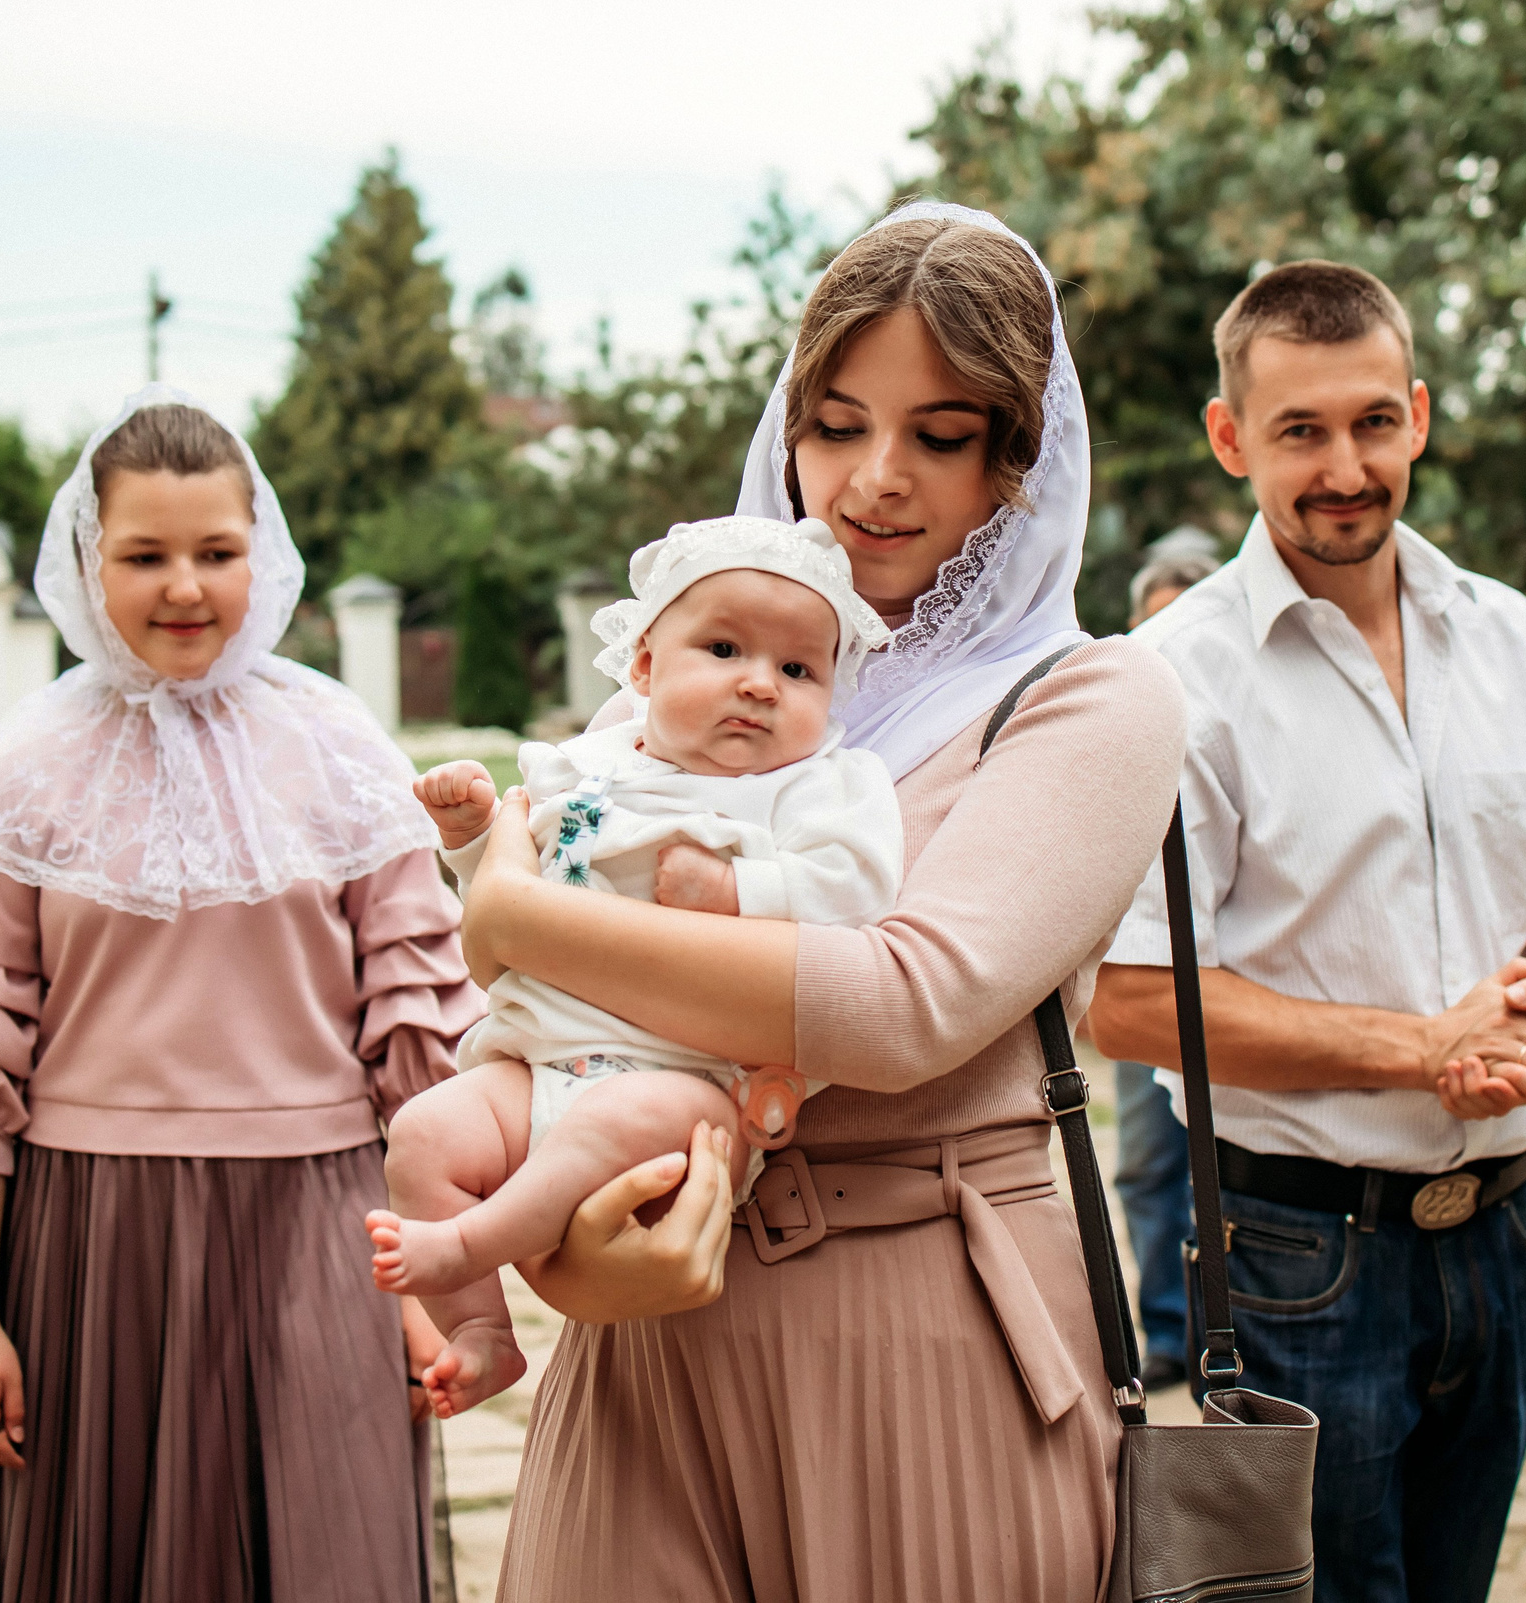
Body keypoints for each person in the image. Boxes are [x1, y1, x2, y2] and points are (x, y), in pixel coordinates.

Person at [450, 201, 1185, 1602]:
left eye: (942, 434)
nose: (874, 481)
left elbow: (906, 1003)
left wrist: (522, 918)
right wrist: (578, 1259)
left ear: (1016, 467)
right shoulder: (672, 689)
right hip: (656, 1324)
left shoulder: (1090, 696)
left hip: (924, 1332)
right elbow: (527, 1011)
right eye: (836, 424)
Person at [1087, 260, 1526, 1603]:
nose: (1345, 466)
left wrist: (1523, 1004)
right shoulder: (1173, 682)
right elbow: (1125, 999)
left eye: (1370, 423)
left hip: (1506, 1238)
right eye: (1299, 431)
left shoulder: (1515, 637)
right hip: (1296, 1254)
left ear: (1416, 414)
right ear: (1233, 439)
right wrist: (1422, 1047)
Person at [0, 387, 482, 1602]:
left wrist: (449, 1299)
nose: (184, 587)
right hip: (90, 1243)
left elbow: (423, 1051)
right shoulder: (24, 767)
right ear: (86, 561)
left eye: (217, 553)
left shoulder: (339, 746)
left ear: (260, 559)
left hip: (326, 1234)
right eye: (145, 554)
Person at [368, 515, 903, 1416]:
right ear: (646, 666)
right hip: (538, 1063)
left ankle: (473, 1241)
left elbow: (859, 886)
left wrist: (740, 885)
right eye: (725, 648)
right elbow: (516, 895)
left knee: (622, 1114)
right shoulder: (588, 766)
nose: (759, 685)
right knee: (422, 1133)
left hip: (693, 1082)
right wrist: (470, 838)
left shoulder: (819, 785)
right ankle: (483, 1333)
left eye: (799, 669)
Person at [1109, 531, 1222, 1390]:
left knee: (1228, 1168)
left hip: (1231, 989)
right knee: (1150, 1164)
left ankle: (1229, 1322)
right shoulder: (1113, 718)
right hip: (1141, 982)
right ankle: (1169, 1332)